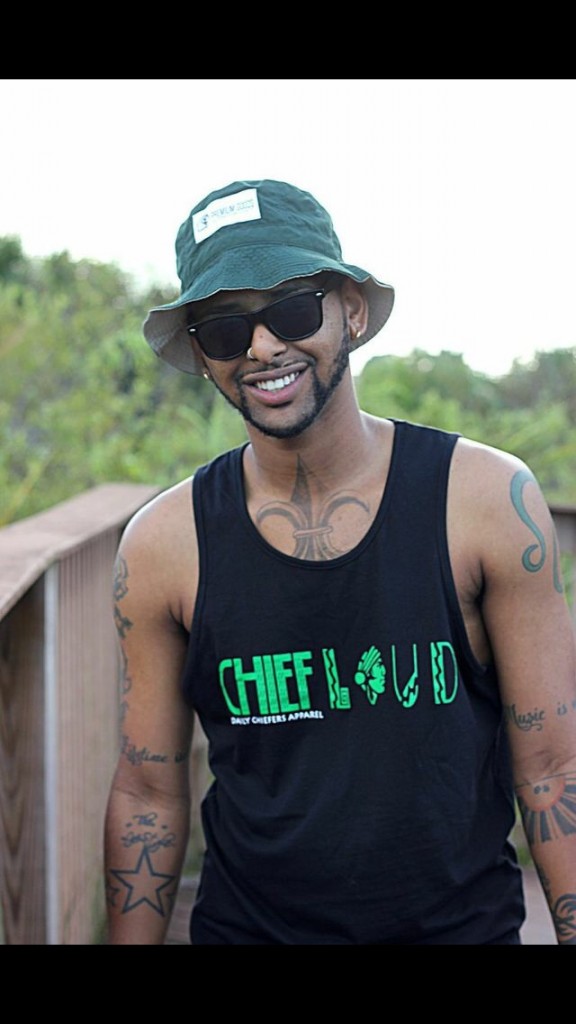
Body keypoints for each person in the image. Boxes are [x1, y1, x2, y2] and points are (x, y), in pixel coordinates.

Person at [104, 178, 576, 945]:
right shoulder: (164, 545)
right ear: (200, 354)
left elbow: (553, 767)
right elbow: (147, 795)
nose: (262, 347)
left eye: (292, 310)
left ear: (351, 312)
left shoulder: (486, 501)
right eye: (225, 328)